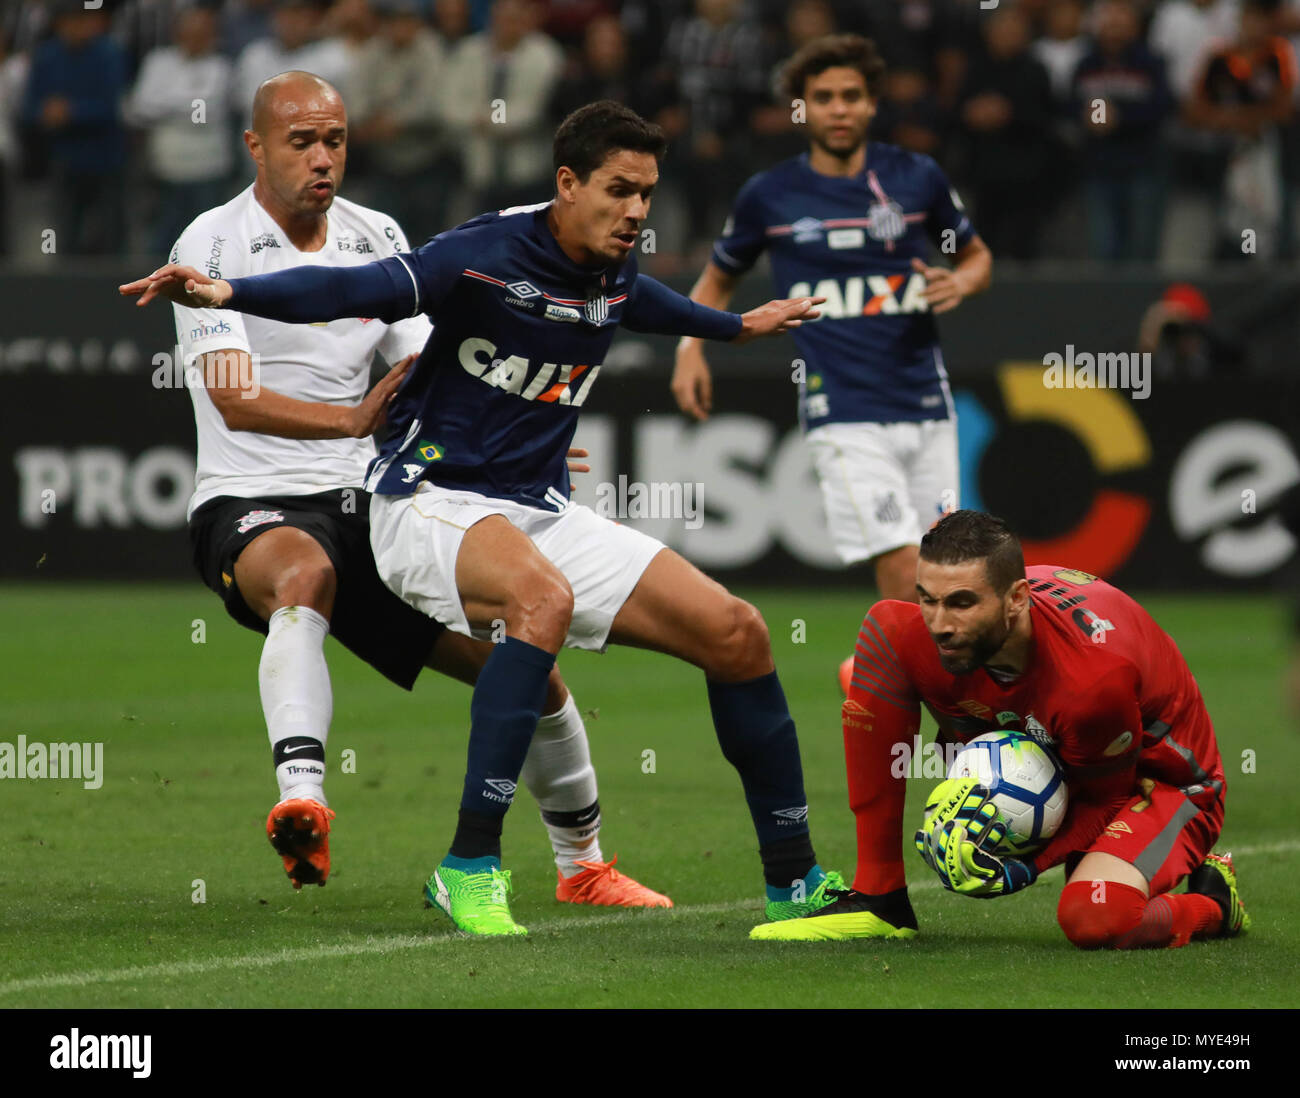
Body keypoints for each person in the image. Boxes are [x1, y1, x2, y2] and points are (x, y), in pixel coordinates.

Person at [122, 98, 840, 940]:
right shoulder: (482, 251)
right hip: (425, 502)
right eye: (619, 191)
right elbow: (354, 289)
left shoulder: (608, 266)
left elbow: (640, 304)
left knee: (738, 631)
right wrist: (230, 288)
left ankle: (793, 883)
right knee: (540, 605)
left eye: (647, 193)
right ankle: (465, 866)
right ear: (566, 184)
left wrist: (736, 327)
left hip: (534, 504)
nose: (637, 211)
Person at [754, 510, 1248, 949]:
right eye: (927, 599)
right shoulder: (940, 634)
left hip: (1159, 780)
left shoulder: (1091, 682)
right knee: (880, 651)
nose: (940, 623)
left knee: (1095, 917)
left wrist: (1024, 869)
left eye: (962, 603)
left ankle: (1214, 904)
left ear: (1016, 599)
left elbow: (1105, 800)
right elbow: (892, 638)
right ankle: (878, 898)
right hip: (1052, 739)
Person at [669, 34, 992, 694]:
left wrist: (962, 281)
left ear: (872, 104)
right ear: (802, 109)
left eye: (851, 96)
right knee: (905, 562)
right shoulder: (771, 196)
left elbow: (977, 256)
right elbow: (719, 280)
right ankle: (926, 701)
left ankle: (880, 674)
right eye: (823, 98)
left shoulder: (917, 180)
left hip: (926, 402)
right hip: (841, 409)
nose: (838, 109)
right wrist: (689, 346)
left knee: (950, 572)